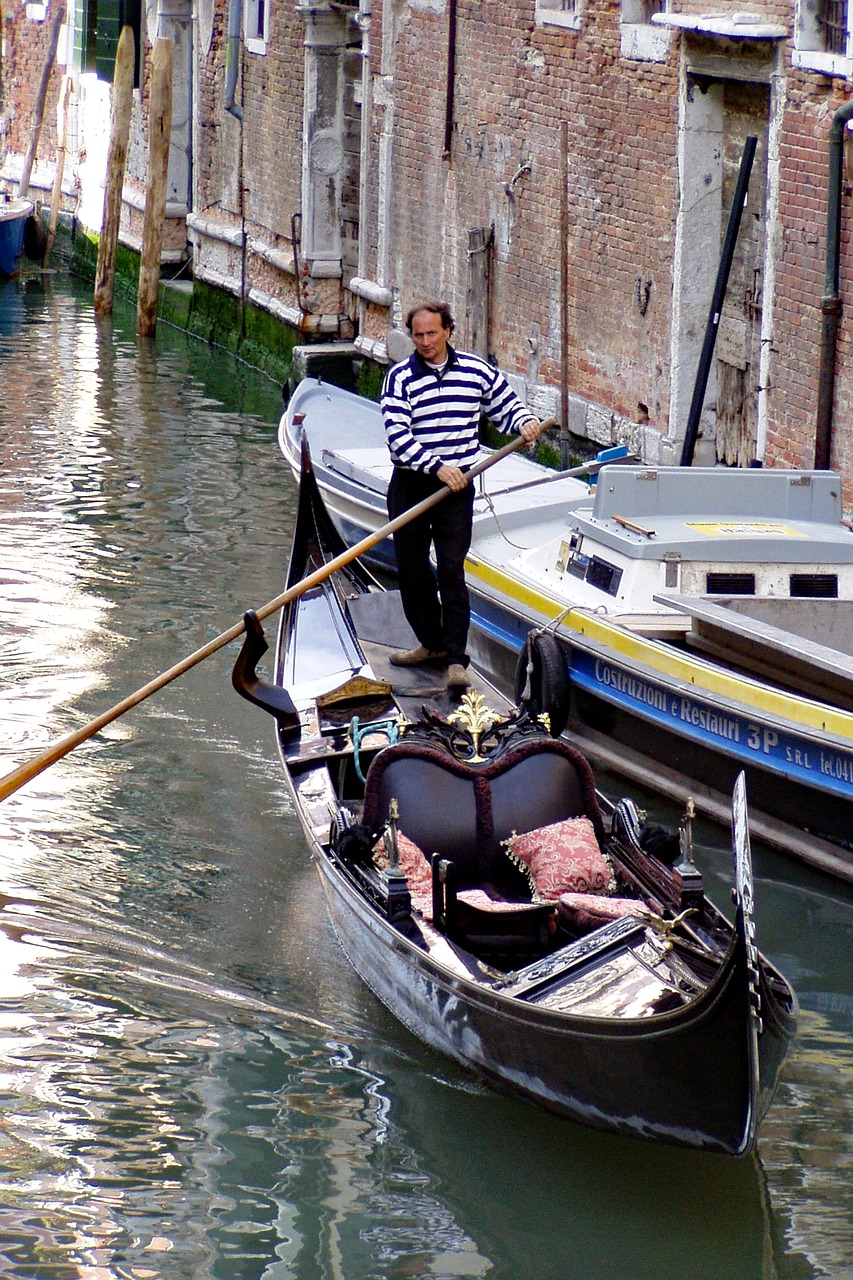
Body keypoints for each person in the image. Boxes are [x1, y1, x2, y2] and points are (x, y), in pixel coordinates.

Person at [380, 300, 544, 689]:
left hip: (459, 488)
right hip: (413, 482)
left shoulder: (475, 370)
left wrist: (525, 421)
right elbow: (397, 437)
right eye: (417, 335)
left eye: (431, 333)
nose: (424, 342)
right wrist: (437, 466)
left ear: (448, 331)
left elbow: (505, 406)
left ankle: (455, 659)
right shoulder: (399, 378)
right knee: (413, 569)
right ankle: (431, 644)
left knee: (452, 570)